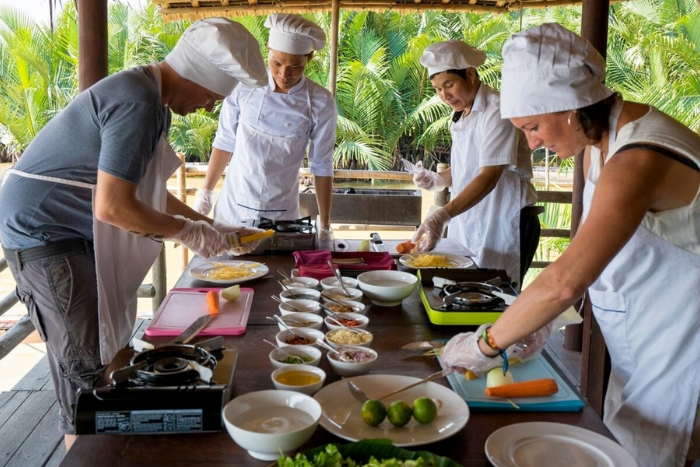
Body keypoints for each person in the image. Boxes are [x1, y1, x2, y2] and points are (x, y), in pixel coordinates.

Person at [440, 23, 700, 467]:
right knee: (625, 445)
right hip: (641, 331)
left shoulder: (640, 157)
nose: (533, 142)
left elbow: (562, 280)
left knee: (657, 453)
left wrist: (484, 346)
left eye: (534, 126)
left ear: (571, 106)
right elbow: (590, 253)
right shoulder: (599, 146)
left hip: (682, 338)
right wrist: (546, 320)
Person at [0, 18, 269, 446]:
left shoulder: (150, 97)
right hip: (44, 233)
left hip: (68, 232)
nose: (208, 107)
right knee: (86, 370)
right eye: (211, 96)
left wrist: (209, 225)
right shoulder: (138, 103)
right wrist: (188, 232)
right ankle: (83, 450)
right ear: (194, 76)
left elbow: (147, 193)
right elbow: (114, 206)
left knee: (105, 349)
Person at [193, 13, 337, 241]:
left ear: (309, 58)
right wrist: (206, 191)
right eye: (277, 63)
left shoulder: (320, 101)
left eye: (296, 67)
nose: (284, 74)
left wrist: (326, 225)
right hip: (233, 207)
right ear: (268, 49)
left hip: (282, 215)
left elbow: (321, 165)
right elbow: (225, 140)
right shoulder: (244, 85)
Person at [412, 40, 539, 288]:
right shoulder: (460, 115)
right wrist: (439, 179)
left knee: (499, 297)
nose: (444, 96)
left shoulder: (498, 109)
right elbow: (467, 168)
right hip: (471, 219)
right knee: (465, 293)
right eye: (437, 89)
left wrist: (442, 215)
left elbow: (489, 175)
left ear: (470, 74)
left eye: (449, 85)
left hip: (506, 219)